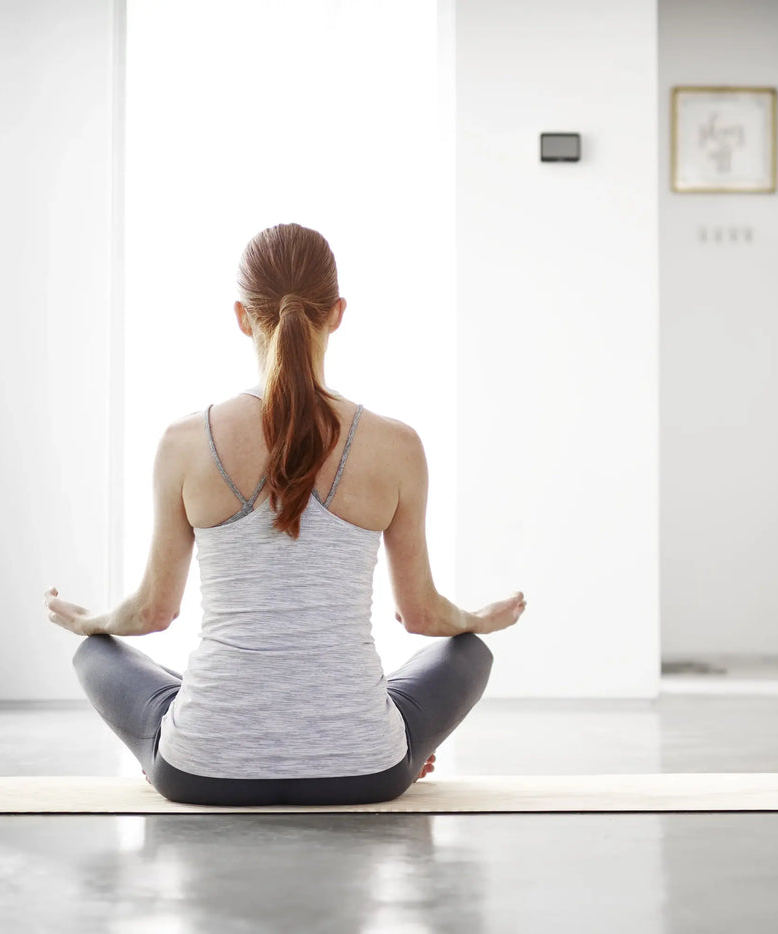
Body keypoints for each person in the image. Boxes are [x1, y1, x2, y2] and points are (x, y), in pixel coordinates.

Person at [43, 222, 526, 806]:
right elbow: (421, 617)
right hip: (367, 771)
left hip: (199, 772)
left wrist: (88, 621)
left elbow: (153, 612)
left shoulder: (184, 442)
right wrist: (478, 617)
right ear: (338, 312)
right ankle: (383, 736)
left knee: (96, 651)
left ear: (243, 316)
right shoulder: (397, 445)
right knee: (469, 650)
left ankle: (181, 743)